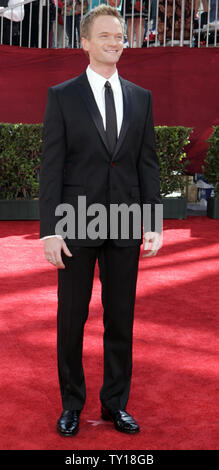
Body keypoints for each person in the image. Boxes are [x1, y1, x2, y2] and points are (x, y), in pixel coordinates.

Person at [39, 4, 162, 437]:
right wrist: (50, 231)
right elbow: (51, 167)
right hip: (76, 222)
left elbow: (148, 164)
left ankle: (114, 404)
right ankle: (72, 402)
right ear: (86, 43)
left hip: (127, 222)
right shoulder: (62, 95)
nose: (116, 43)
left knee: (120, 317)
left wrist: (153, 222)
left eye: (121, 37)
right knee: (71, 318)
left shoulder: (141, 98)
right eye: (107, 35)